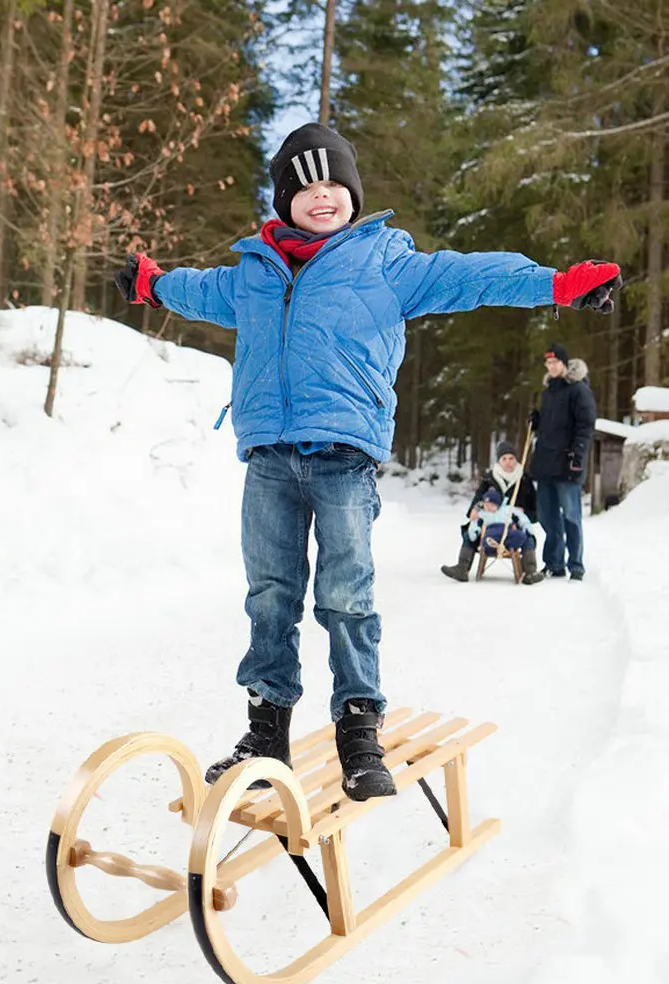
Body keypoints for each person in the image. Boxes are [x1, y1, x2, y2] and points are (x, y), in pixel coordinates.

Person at [114, 122, 621, 801]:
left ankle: (358, 727)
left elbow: (472, 275)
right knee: (270, 596)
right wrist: (153, 284)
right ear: (284, 199)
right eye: (307, 187)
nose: (322, 198)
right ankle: (265, 731)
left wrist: (555, 285)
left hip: (343, 460)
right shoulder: (253, 275)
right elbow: (194, 290)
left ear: (353, 193)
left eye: (335, 185)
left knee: (345, 597)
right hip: (268, 458)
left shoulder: (387, 264)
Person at [529, 342, 597, 581]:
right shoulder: (548, 393)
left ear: (565, 364)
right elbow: (550, 429)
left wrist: (578, 454)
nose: (551, 366)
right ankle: (554, 563)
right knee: (548, 516)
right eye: (548, 363)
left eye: (555, 362)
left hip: (568, 463)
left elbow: (586, 425)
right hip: (546, 463)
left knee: (571, 515)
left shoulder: (578, 390)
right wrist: (537, 422)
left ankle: (576, 565)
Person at [441, 439, 543, 584]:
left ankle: (530, 572)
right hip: (489, 523)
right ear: (499, 461)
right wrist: (475, 511)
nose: (508, 462)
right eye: (504, 459)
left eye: (511, 459)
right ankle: (462, 568)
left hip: (513, 524)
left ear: (516, 460)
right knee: (469, 533)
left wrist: (523, 512)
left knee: (529, 538)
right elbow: (477, 500)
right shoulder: (490, 478)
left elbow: (534, 511)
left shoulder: (524, 479)